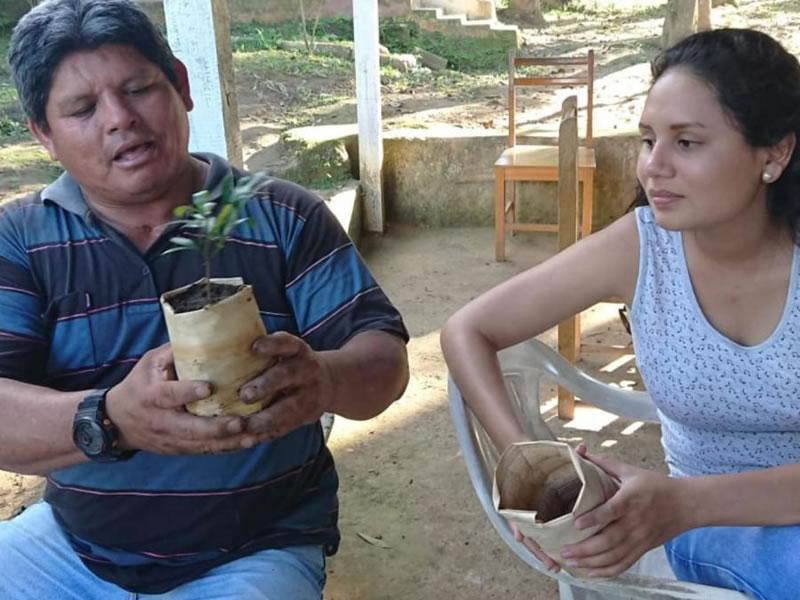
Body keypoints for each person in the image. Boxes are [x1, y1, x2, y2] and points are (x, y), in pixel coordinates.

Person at [0, 0, 409, 598]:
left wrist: (323, 379)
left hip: (253, 551)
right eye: (83, 109)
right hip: (70, 548)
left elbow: (386, 362)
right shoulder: (20, 239)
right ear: (44, 134)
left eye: (139, 88)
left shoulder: (281, 215)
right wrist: (112, 419)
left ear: (181, 86)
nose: (120, 120)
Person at [441, 28, 800, 600]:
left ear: (774, 152)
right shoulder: (645, 247)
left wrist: (681, 504)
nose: (653, 167)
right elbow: (468, 330)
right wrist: (528, 469)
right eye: (648, 139)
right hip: (709, 532)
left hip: (693, 510)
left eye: (687, 143)